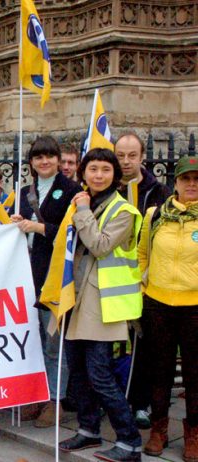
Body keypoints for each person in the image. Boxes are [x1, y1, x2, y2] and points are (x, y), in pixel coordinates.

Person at [59, 148, 143, 462]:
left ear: (115, 175)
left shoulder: (123, 210)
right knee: (78, 373)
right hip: (76, 299)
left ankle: (130, 440)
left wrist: (81, 210)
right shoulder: (84, 203)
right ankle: (88, 428)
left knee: (100, 375)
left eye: (105, 170)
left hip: (104, 304)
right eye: (93, 169)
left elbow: (100, 244)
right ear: (84, 172)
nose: (98, 175)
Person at [10, 135, 82, 427]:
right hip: (27, 275)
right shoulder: (24, 191)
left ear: (57, 159)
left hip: (53, 276)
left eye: (49, 156)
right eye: (38, 157)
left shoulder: (71, 191)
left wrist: (36, 227)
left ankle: (56, 399)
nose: (44, 161)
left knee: (54, 343)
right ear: (31, 163)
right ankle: (37, 396)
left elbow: (71, 234)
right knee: (34, 341)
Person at [138, 156, 198, 461]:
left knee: (194, 374)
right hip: (159, 304)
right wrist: (144, 287)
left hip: (195, 308)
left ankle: (193, 434)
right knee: (158, 370)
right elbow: (142, 254)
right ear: (175, 183)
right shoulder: (155, 215)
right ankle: (159, 430)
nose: (192, 185)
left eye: (197, 180)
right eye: (186, 179)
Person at [114, 131, 172, 429]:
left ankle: (141, 402)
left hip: (143, 278)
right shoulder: (107, 186)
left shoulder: (157, 191)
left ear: (142, 157)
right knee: (112, 342)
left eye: (131, 155)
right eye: (121, 155)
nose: (126, 161)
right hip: (111, 276)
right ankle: (114, 398)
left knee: (144, 343)